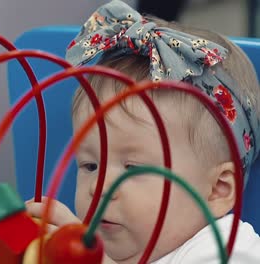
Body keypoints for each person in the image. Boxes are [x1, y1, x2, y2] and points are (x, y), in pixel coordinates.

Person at [26, 0, 260, 263]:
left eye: (133, 168)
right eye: (90, 166)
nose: (99, 186)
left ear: (218, 189)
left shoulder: (227, 248)